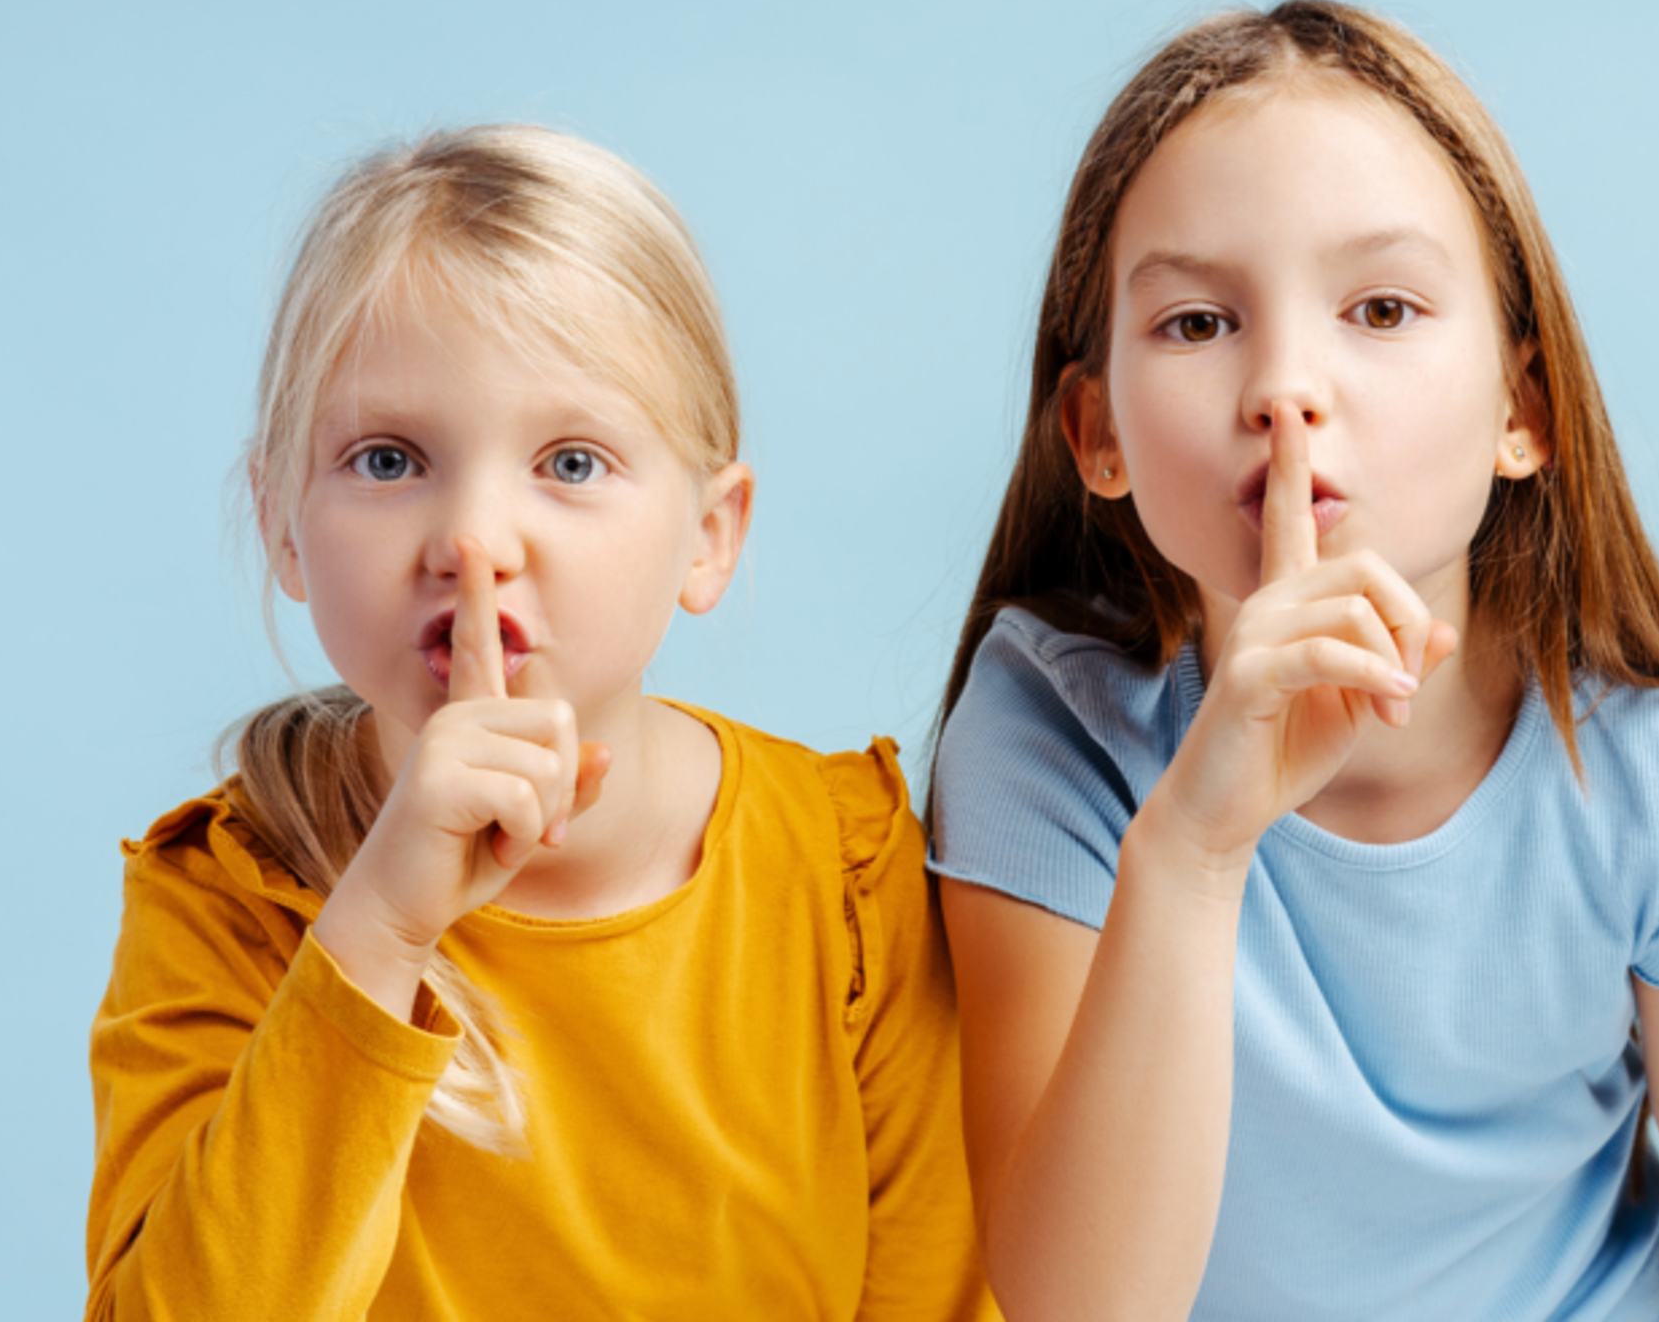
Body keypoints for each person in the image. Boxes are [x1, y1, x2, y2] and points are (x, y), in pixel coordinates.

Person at [928, 0, 1659, 1322]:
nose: (1286, 386)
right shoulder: (1047, 735)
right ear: (1096, 434)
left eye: (1382, 307)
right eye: (1197, 323)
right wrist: (1195, 845)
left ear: (1521, 413)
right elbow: (1077, 1305)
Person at [87, 124, 992, 1322]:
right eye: (388, 457)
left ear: (710, 536)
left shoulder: (847, 877)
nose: (475, 540)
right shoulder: (232, 895)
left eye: (569, 463)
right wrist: (380, 930)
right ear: (282, 525)